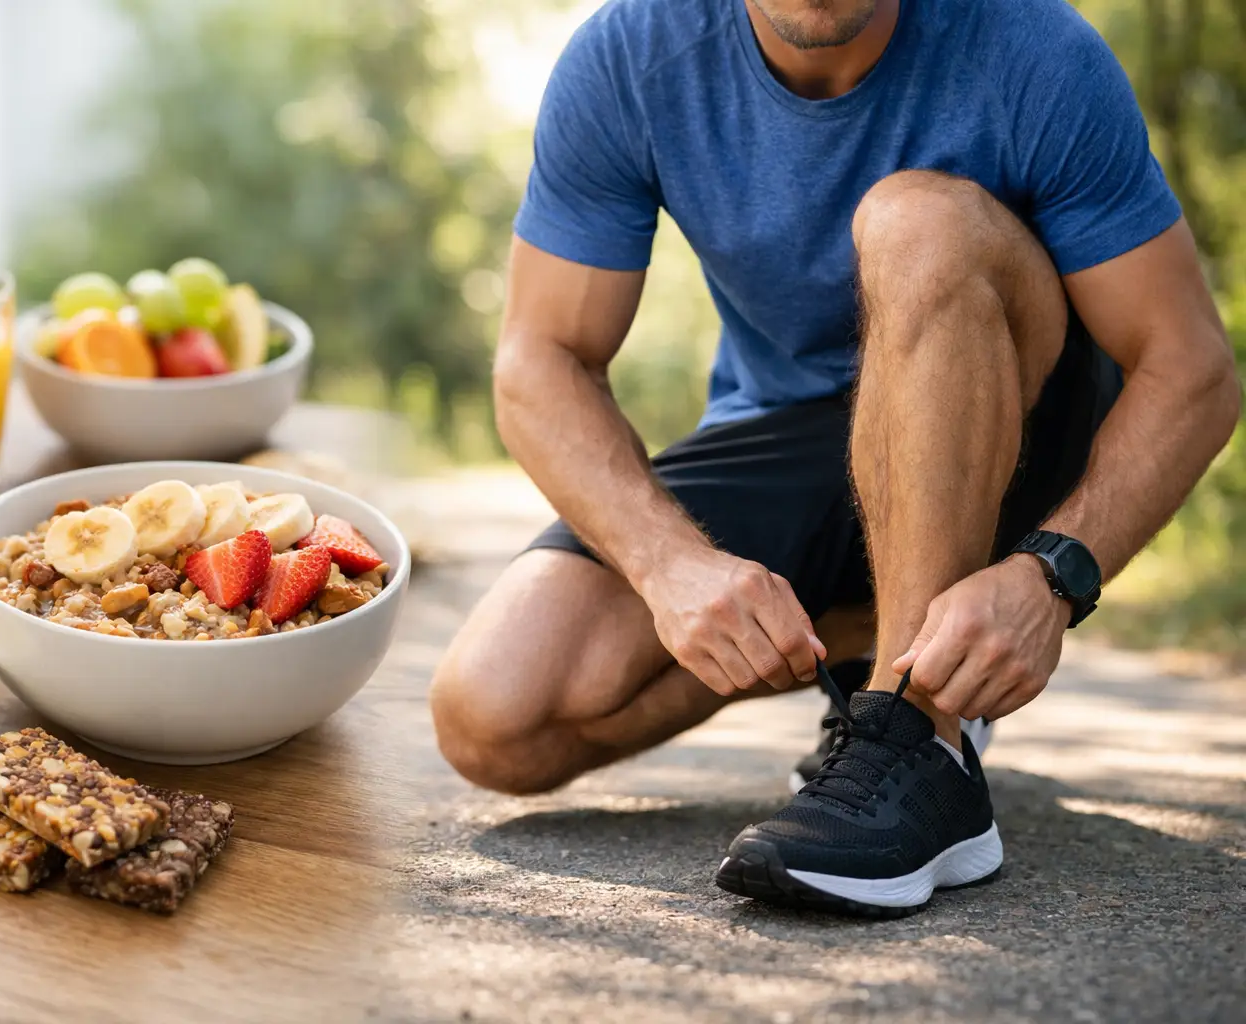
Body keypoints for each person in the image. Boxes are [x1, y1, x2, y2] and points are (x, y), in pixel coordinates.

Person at [429, 0, 1240, 917]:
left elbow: (1193, 370)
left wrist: (1053, 574)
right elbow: (541, 359)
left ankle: (916, 737)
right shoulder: (629, 61)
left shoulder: (1035, 51)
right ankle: (882, 640)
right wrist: (672, 568)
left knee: (915, 221)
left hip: (1019, 420)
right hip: (797, 429)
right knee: (494, 715)